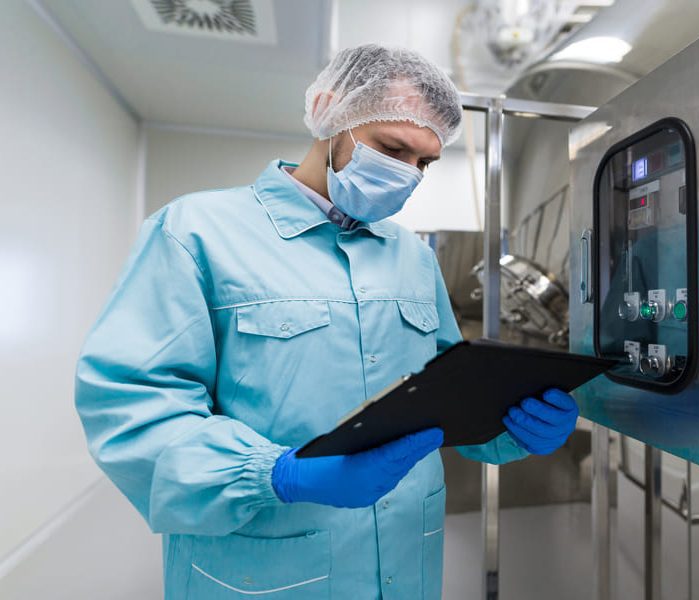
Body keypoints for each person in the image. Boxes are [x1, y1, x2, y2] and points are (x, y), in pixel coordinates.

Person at [75, 44, 579, 599]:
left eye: (425, 163)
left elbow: (449, 394)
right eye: (393, 149)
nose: (408, 175)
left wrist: (510, 427)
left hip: (405, 565)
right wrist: (277, 475)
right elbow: (130, 405)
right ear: (329, 117)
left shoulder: (411, 256)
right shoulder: (195, 232)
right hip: (266, 570)